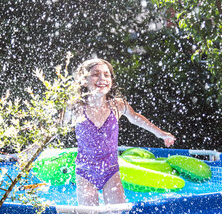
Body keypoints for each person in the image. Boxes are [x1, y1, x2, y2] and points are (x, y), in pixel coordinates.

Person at [63, 58, 176, 206]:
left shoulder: (116, 105)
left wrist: (161, 133)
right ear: (84, 81)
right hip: (85, 173)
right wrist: (32, 149)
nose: (102, 79)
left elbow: (136, 118)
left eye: (106, 75)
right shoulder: (76, 107)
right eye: (96, 74)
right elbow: (53, 130)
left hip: (111, 171)